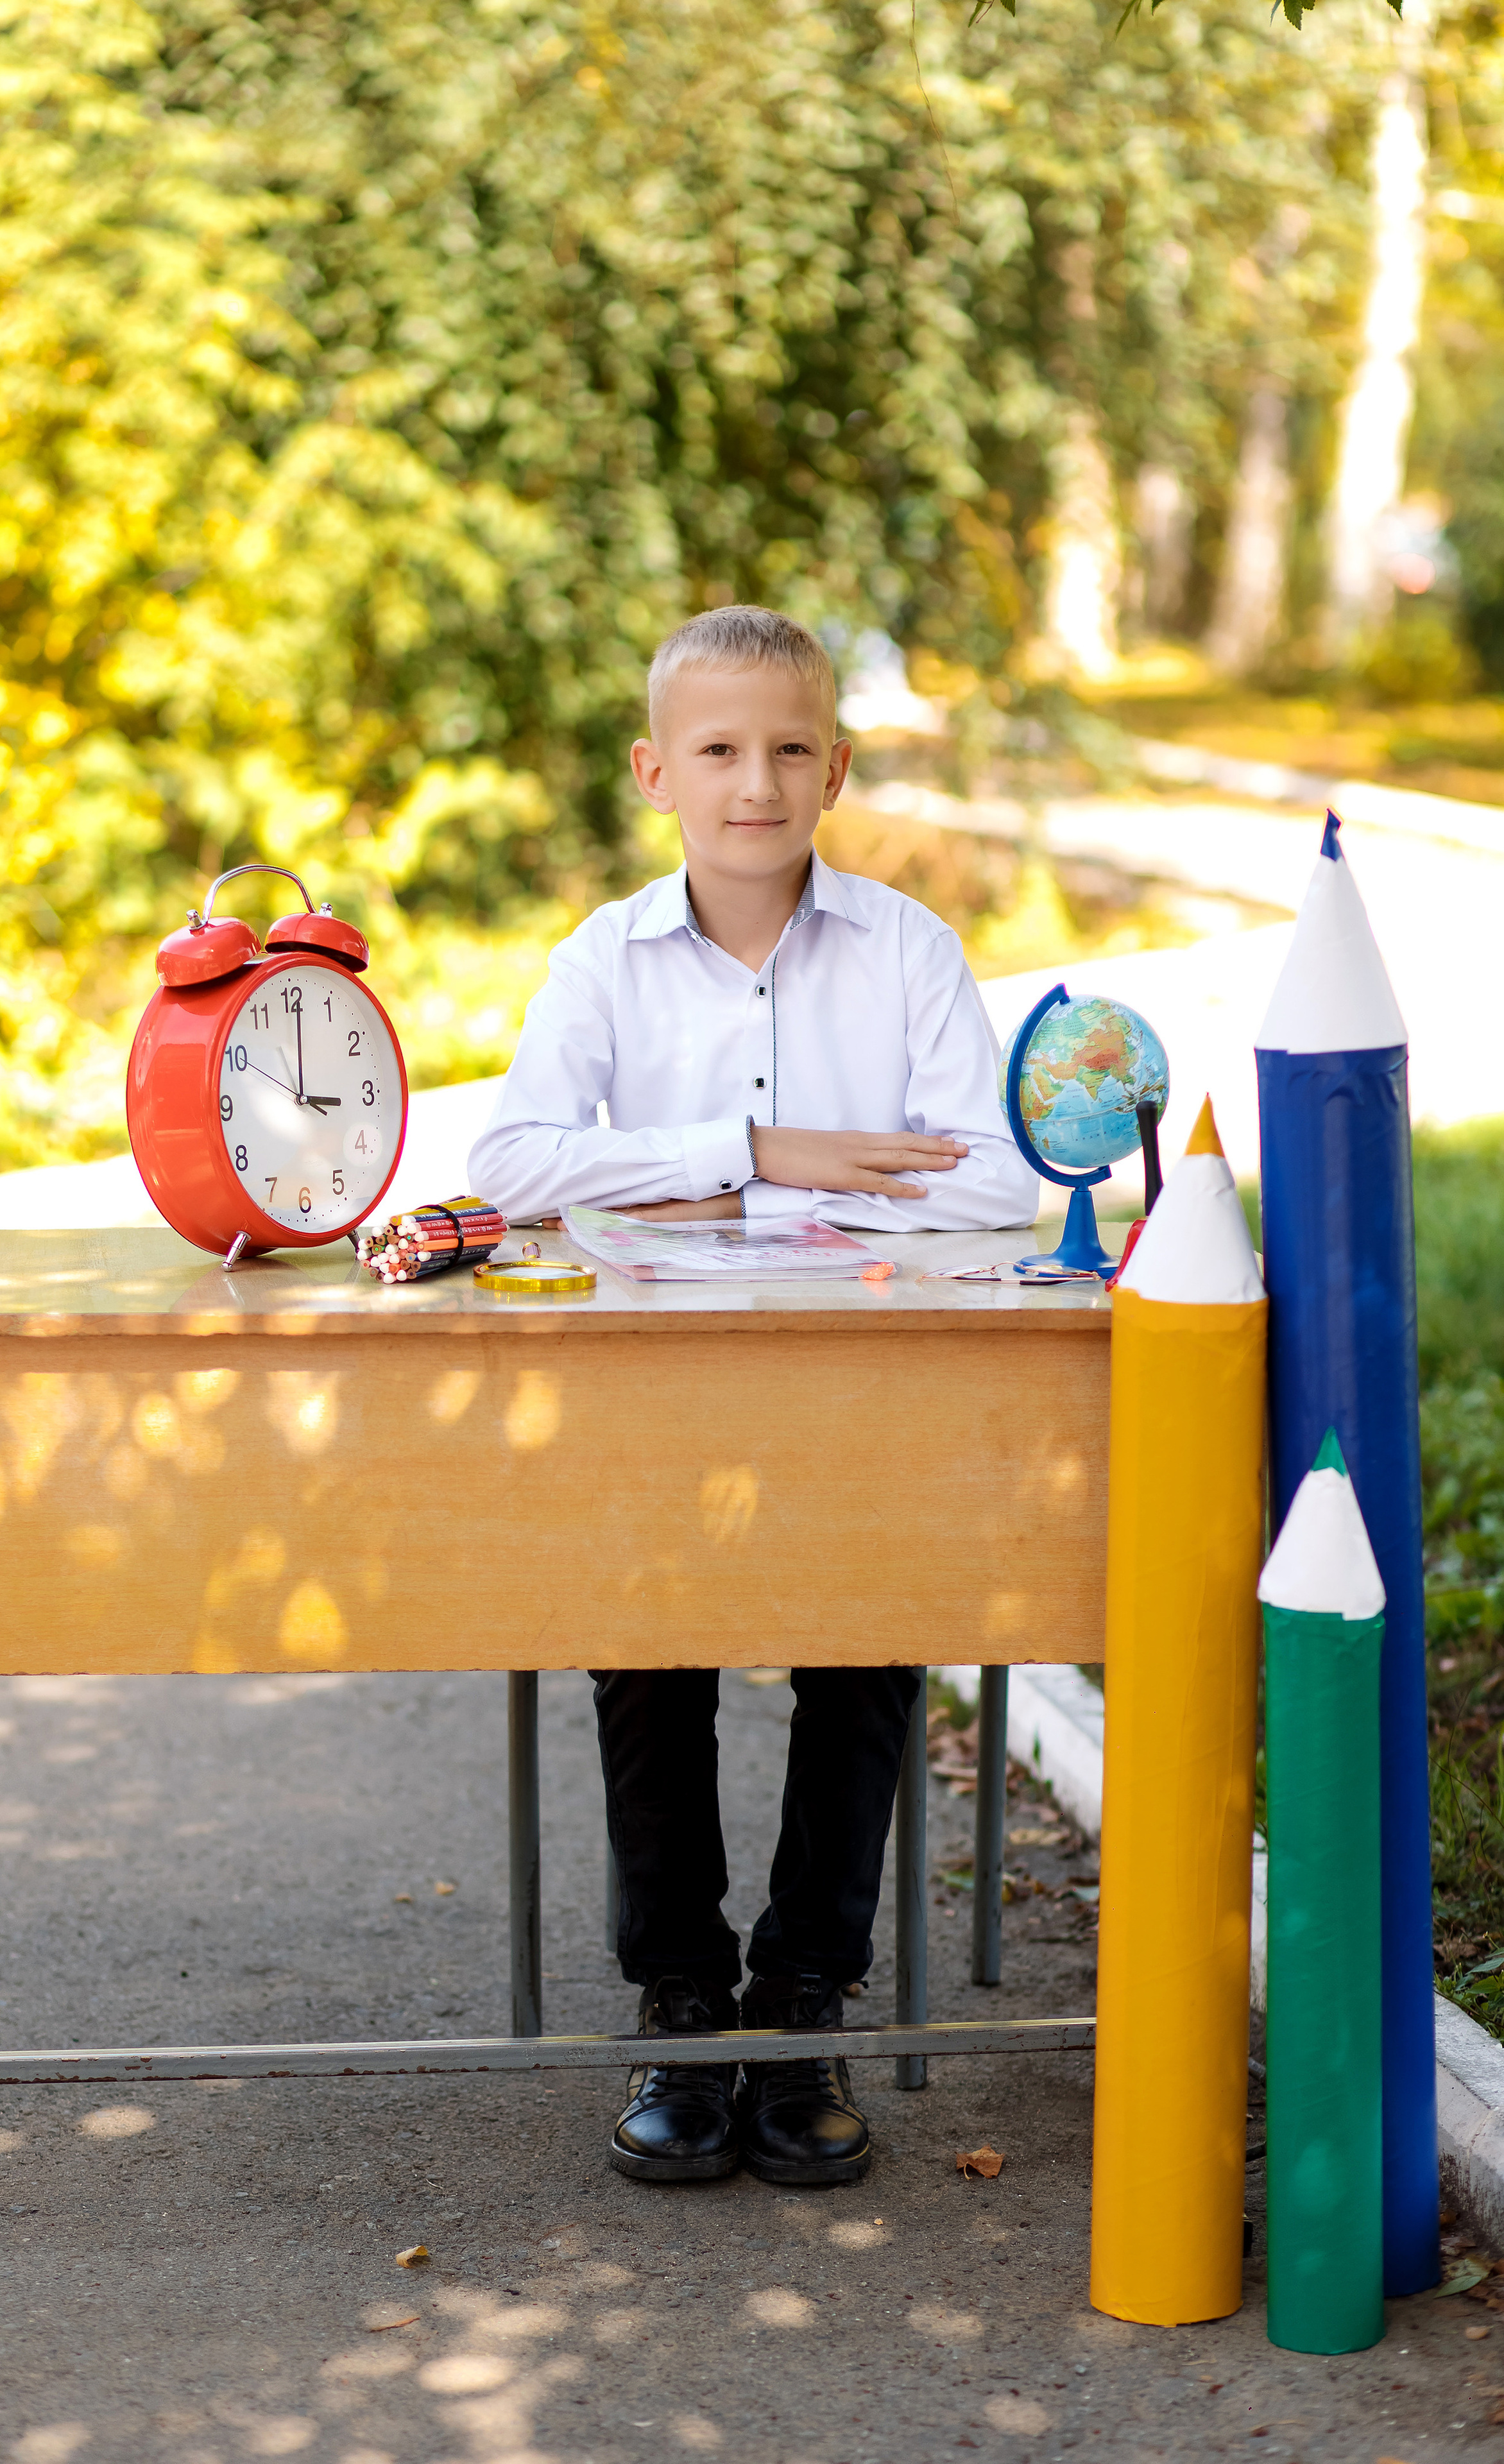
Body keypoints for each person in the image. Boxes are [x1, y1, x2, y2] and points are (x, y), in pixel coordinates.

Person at [470, 605, 1038, 2186]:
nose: (754, 784)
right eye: (717, 751)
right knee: (645, 1651)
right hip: (656, 1403)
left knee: (865, 1644)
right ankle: (679, 2002)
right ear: (656, 771)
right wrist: (755, 1156)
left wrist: (746, 1213)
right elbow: (511, 1166)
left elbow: (990, 1175)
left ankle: (800, 2001)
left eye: (789, 749)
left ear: (836, 768)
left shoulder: (908, 950)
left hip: (864, 1395)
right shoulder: (604, 958)